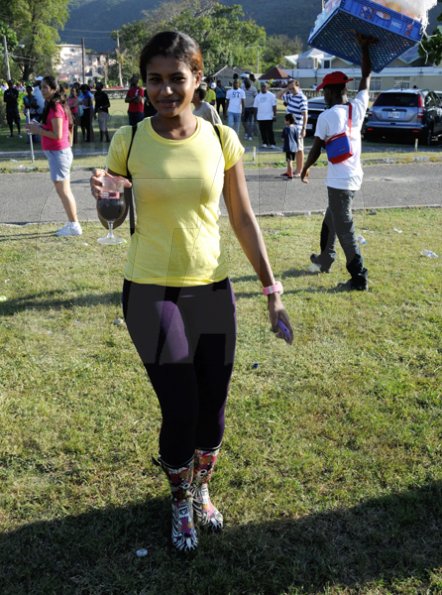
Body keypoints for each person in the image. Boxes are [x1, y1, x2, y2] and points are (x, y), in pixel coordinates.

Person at [90, 30, 293, 553]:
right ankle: (180, 499)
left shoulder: (221, 139)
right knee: (180, 406)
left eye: (176, 79)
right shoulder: (128, 140)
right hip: (149, 292)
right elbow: (112, 220)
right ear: (145, 84)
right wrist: (108, 201)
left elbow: (244, 218)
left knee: (214, 408)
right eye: (154, 80)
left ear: (198, 80)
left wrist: (272, 289)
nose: (165, 90)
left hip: (211, 290)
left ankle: (202, 489)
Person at [301, 35, 373, 291]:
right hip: (354, 179)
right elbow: (366, 77)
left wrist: (305, 167)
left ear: (332, 92)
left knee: (345, 229)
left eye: (325, 92)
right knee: (331, 219)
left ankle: (359, 278)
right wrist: (365, 48)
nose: (324, 96)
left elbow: (317, 149)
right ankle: (325, 259)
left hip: (339, 182)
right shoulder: (358, 107)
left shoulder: (327, 116)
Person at [26, 76, 82, 237]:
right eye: (41, 87)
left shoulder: (56, 107)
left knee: (64, 191)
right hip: (58, 154)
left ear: (53, 89)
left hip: (59, 154)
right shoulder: (53, 105)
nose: (42, 90)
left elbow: (57, 135)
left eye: (45, 87)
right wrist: (40, 126)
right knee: (63, 190)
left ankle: (74, 225)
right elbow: (61, 129)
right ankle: (72, 222)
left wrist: (38, 130)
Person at [278, 80, 308, 176]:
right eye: (290, 88)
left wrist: (304, 129)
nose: (291, 90)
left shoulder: (302, 98)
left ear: (298, 86)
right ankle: (290, 171)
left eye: (293, 88)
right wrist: (287, 88)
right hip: (289, 128)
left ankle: (299, 170)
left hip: (297, 129)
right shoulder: (291, 96)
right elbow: (278, 96)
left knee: (299, 149)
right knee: (290, 149)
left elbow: (305, 114)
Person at [254, 82, 277, 149]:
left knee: (270, 131)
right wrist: (255, 117)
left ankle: (272, 143)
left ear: (267, 87)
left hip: (269, 117)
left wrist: (275, 115)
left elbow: (274, 106)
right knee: (262, 131)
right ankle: (265, 143)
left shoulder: (271, 95)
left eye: (264, 86)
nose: (263, 88)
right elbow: (255, 107)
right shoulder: (258, 96)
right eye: (262, 87)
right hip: (260, 117)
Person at [281, 113, 298, 179]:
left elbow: (282, 138)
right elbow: (296, 137)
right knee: (291, 160)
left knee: (289, 161)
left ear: (288, 121)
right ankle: (288, 172)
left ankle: (290, 174)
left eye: (285, 120)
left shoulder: (286, 128)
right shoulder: (295, 128)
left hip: (288, 147)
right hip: (294, 147)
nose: (284, 121)